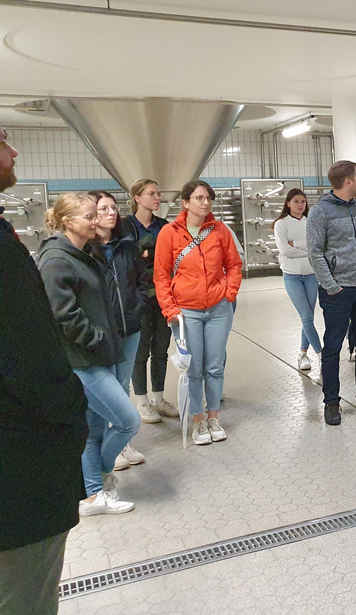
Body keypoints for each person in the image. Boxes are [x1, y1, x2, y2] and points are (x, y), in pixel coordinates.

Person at [0, 130, 89, 615]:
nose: (13, 152)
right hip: (19, 473)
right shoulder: (46, 257)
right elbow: (28, 353)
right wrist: (70, 414)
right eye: (2, 141)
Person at [38, 193, 139, 514]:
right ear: (68, 222)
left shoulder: (81, 252)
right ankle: (101, 477)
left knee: (94, 429)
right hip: (83, 360)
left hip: (99, 354)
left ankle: (92, 495)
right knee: (128, 421)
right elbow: (64, 315)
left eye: (98, 214)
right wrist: (96, 340)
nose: (97, 220)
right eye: (90, 216)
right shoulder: (56, 260)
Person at [154, 180, 242, 446]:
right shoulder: (169, 233)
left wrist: (229, 292)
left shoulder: (220, 230)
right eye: (199, 198)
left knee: (214, 367)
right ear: (185, 202)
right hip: (186, 312)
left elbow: (234, 264)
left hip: (218, 309)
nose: (205, 203)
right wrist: (170, 308)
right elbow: (161, 275)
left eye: (208, 199)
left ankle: (213, 417)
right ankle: (197, 420)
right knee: (193, 369)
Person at [306, 161, 356, 426]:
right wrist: (332, 286)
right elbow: (315, 252)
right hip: (337, 291)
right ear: (348, 181)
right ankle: (331, 401)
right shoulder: (320, 212)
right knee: (333, 346)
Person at [88, 190, 147, 471]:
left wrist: (139, 305)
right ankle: (103, 448)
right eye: (103, 209)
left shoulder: (126, 245)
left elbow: (141, 280)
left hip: (130, 327)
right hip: (102, 333)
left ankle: (123, 443)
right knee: (106, 391)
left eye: (113, 208)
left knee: (123, 385)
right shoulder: (85, 250)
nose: (111, 213)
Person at [124, 179, 179, 426]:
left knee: (161, 349)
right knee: (140, 350)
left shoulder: (164, 226)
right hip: (138, 297)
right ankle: (142, 401)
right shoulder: (125, 226)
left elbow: (170, 258)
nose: (157, 198)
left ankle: (159, 399)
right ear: (137, 197)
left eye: (158, 194)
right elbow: (127, 259)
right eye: (151, 194)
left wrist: (147, 254)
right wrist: (146, 255)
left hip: (163, 295)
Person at [273, 188, 321, 371]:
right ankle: (321, 354)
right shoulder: (281, 224)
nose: (300, 205)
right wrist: (309, 250)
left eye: (303, 201)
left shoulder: (311, 222)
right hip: (292, 276)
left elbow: (318, 245)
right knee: (306, 317)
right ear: (288, 203)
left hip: (312, 275)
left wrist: (297, 245)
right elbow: (285, 250)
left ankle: (302, 353)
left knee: (308, 317)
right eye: (296, 201)